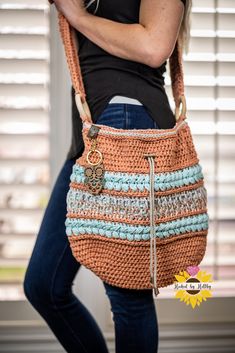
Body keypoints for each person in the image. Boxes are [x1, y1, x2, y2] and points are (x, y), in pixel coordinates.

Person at [23, 1, 191, 352]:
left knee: (128, 295)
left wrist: (79, 15)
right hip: (94, 132)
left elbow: (154, 46)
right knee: (44, 284)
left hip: (127, 125)